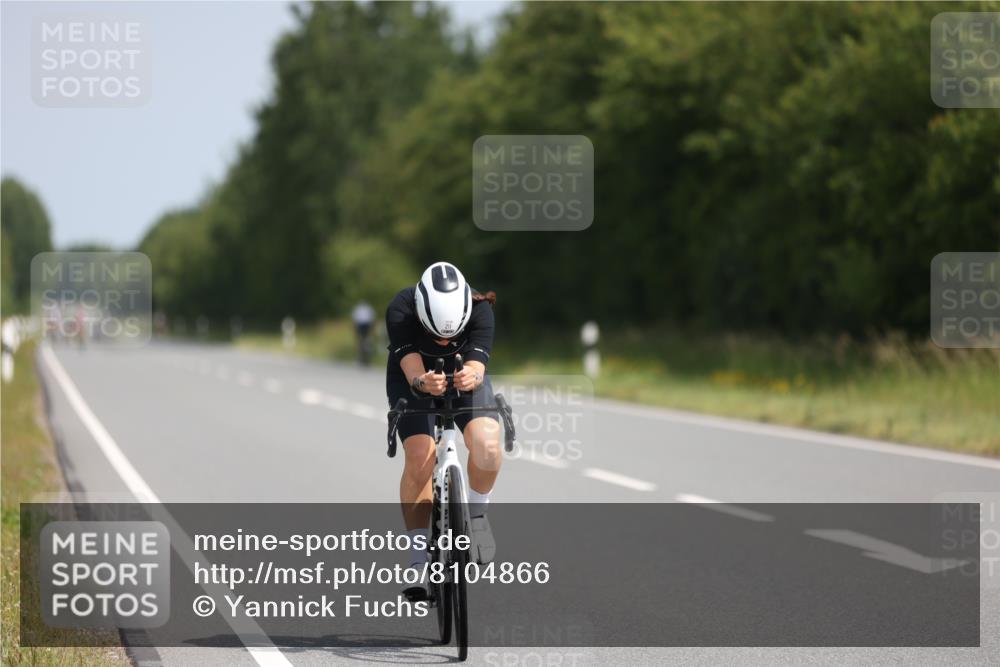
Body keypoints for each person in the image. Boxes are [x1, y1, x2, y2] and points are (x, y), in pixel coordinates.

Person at [385, 261, 500, 600]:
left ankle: (477, 515)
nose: (441, 339)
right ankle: (418, 559)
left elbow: (478, 364)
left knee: (489, 446)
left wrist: (473, 376)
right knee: (420, 454)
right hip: (414, 376)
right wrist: (422, 382)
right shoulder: (401, 309)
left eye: (450, 334)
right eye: (434, 332)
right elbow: (410, 368)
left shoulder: (481, 309)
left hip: (464, 374)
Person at [351, 300, 376, 365]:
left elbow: (355, 319)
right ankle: (361, 358)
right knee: (362, 342)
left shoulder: (361, 308)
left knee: (364, 342)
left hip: (364, 326)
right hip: (362, 326)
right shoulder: (366, 308)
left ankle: (365, 359)